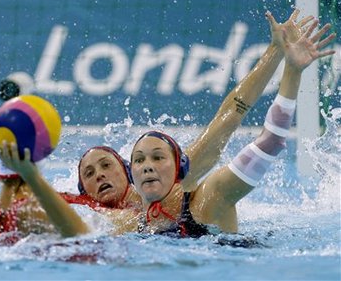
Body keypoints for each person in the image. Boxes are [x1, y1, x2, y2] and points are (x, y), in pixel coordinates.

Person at [129, 17, 336, 236]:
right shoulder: (129, 222)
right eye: (139, 160)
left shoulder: (210, 197)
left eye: (158, 157)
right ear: (131, 174)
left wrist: (292, 72)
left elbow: (268, 142)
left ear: (180, 167)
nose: (147, 166)